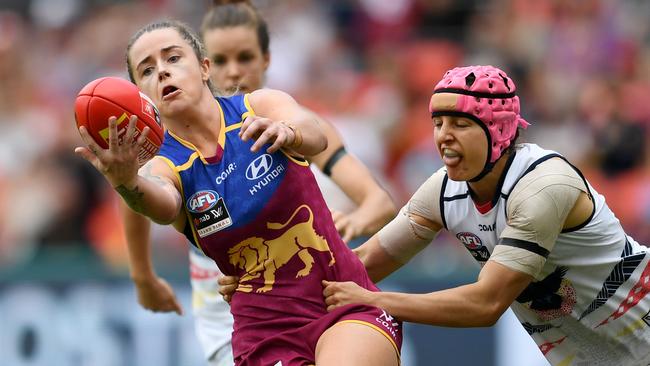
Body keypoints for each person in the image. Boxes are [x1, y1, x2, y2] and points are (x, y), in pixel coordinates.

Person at [222, 65, 650, 365]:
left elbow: (485, 304)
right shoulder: (444, 191)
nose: (443, 136)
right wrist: (267, 275)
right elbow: (358, 266)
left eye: (461, 123)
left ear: (499, 130)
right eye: (438, 121)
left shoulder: (543, 186)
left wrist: (376, 301)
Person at [75, 19, 401, 366]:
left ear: (204, 67)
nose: (163, 73)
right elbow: (161, 205)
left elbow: (315, 133)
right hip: (263, 330)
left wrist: (288, 132)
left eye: (173, 59)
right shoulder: (163, 166)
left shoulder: (261, 106)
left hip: (342, 301)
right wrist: (126, 183)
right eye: (148, 70)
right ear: (141, 95)